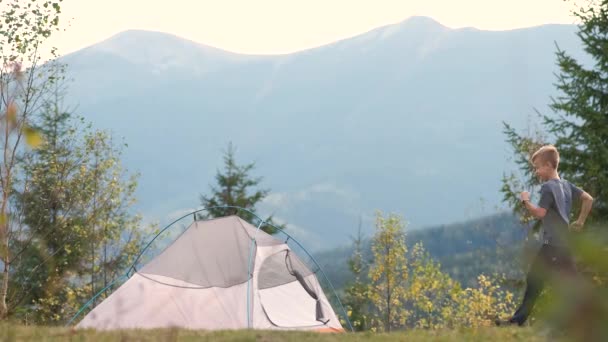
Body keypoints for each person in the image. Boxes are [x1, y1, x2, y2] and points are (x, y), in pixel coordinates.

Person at [496, 145, 594, 326]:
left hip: (553, 245)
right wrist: (580, 221)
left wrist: (525, 201)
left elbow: (540, 213)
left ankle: (517, 321)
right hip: (563, 244)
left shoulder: (548, 187)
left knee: (535, 280)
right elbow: (588, 199)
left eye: (538, 167)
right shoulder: (566, 185)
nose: (536, 172)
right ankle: (591, 318)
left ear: (549, 165)